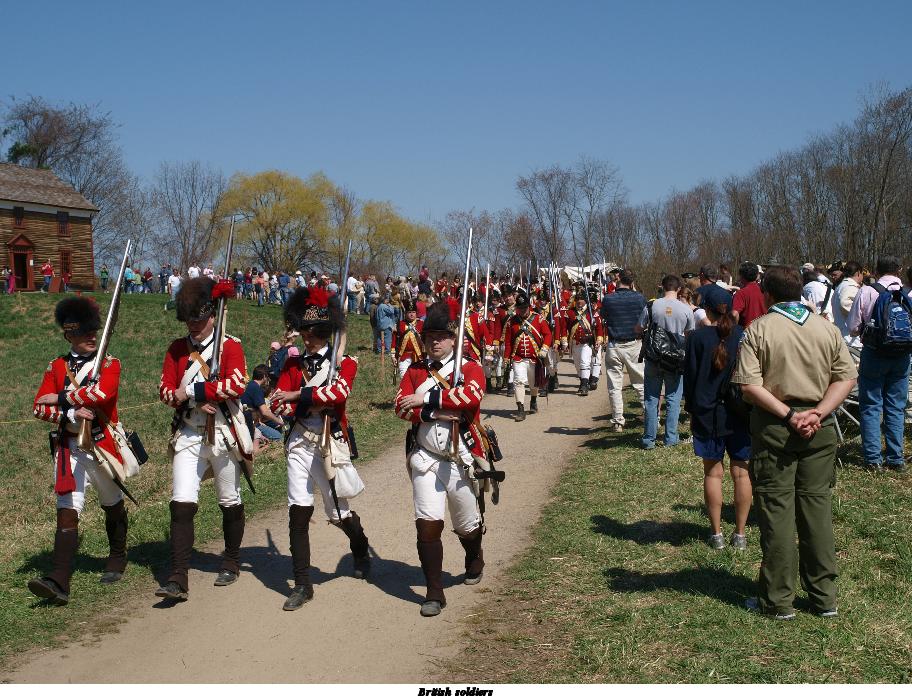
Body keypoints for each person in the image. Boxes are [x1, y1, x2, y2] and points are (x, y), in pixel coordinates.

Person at [732, 265, 856, 619]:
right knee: (817, 511)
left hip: (776, 428)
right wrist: (819, 413)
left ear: (767, 294)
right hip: (820, 427)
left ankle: (777, 599)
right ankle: (824, 597)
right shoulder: (826, 328)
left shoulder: (759, 329)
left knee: (777, 513)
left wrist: (789, 415)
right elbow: (846, 377)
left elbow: (749, 386)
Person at [270, 286, 370, 610]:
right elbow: (279, 401)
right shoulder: (292, 364)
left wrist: (297, 396)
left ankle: (360, 545)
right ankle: (302, 584)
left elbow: (338, 395)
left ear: (325, 331)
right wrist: (294, 403)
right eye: (304, 330)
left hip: (329, 443)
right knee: (298, 511)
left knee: (338, 513)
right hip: (300, 441)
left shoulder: (345, 363)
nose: (307, 336)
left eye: (313, 331)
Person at [28, 297, 129, 604]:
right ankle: (59, 580)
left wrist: (60, 398)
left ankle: (118, 556)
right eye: (85, 332)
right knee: (67, 510)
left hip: (100, 445)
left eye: (93, 330)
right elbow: (38, 407)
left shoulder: (109, 363)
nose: (92, 336)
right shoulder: (56, 366)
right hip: (68, 446)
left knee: (112, 502)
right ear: (69, 335)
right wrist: (70, 413)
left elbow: (102, 394)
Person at [155, 277, 251, 601]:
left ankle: (232, 560)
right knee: (181, 503)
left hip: (223, 433)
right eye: (189, 319)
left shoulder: (230, 345)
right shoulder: (177, 349)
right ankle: (178, 577)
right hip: (189, 431)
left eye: (199, 318)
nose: (193, 325)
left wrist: (193, 392)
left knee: (229, 500)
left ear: (213, 314)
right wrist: (193, 399)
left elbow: (235, 385)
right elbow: (166, 392)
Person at [394, 302, 488, 617]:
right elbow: (400, 406)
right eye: (430, 336)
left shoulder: (470, 367)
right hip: (425, 457)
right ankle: (434, 591)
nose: (435, 342)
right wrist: (434, 412)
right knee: (427, 526)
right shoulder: (416, 370)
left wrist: (425, 398)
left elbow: (470, 397)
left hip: (461, 458)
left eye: (441, 336)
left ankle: (474, 555)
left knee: (467, 525)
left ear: (453, 339)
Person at [683, 285, 751, 550]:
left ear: (707, 310)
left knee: (713, 474)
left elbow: (690, 379)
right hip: (740, 412)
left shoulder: (696, 339)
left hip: (707, 413)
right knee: (741, 474)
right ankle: (740, 534)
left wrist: (692, 411)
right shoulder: (743, 335)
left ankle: (717, 534)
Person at [846, 255, 911, 471]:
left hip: (874, 353)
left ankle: (873, 459)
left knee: (871, 405)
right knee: (896, 406)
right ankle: (895, 458)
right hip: (902, 356)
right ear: (899, 270)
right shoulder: (907, 293)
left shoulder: (867, 291)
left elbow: (853, 327)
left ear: (876, 270)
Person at [636, 275, 695, 449]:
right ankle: (670, 438)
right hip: (675, 361)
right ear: (679, 289)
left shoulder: (651, 305)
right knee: (673, 399)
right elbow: (689, 335)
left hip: (653, 358)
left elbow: (638, 328)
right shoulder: (686, 309)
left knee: (651, 398)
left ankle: (649, 439)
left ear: (662, 287)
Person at [599, 269, 646, 432]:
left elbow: (604, 316)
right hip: (634, 344)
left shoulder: (608, 299)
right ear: (632, 282)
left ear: (617, 280)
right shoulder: (639, 298)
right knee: (641, 383)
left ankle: (618, 421)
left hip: (615, 345)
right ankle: (650, 416)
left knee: (614, 386)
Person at [501, 289, 552, 421]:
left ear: (529, 306)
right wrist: (506, 357)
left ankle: (533, 400)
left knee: (533, 383)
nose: (522, 311)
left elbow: (548, 335)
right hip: (518, 357)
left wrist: (544, 348)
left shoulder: (538, 319)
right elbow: (508, 342)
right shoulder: (512, 321)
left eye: (524, 308)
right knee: (518, 381)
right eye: (520, 308)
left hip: (535, 357)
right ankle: (520, 409)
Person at [564, 290, 604, 396]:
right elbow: (565, 327)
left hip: (587, 343)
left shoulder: (592, 312)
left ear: (585, 301)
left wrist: (599, 340)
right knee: (578, 365)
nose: (579, 301)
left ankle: (584, 385)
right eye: (577, 299)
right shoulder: (570, 313)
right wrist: (564, 342)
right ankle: (585, 379)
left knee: (585, 363)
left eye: (581, 299)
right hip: (574, 343)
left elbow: (599, 328)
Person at [241, 364, 284, 442]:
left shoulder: (251, 384)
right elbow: (265, 412)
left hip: (251, 420)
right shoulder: (256, 389)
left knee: (274, 426)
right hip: (251, 424)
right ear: (264, 376)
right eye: (268, 377)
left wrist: (259, 421)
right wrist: (279, 421)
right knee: (279, 437)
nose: (269, 380)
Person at [832, 261, 863, 348]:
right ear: (858, 273)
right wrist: (862, 318)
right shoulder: (849, 286)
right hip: (851, 339)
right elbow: (844, 303)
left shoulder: (841, 286)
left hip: (844, 336)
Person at [395, 298, 425, 378]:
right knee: (403, 377)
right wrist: (393, 354)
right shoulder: (400, 324)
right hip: (404, 356)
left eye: (413, 312)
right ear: (405, 314)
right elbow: (395, 339)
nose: (411, 314)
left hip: (418, 356)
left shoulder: (421, 324)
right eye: (409, 312)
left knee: (417, 377)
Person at [732, 261, 765, 328]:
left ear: (741, 276)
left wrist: (735, 330)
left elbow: (734, 314)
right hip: (763, 329)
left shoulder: (741, 293)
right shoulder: (765, 291)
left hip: (747, 330)